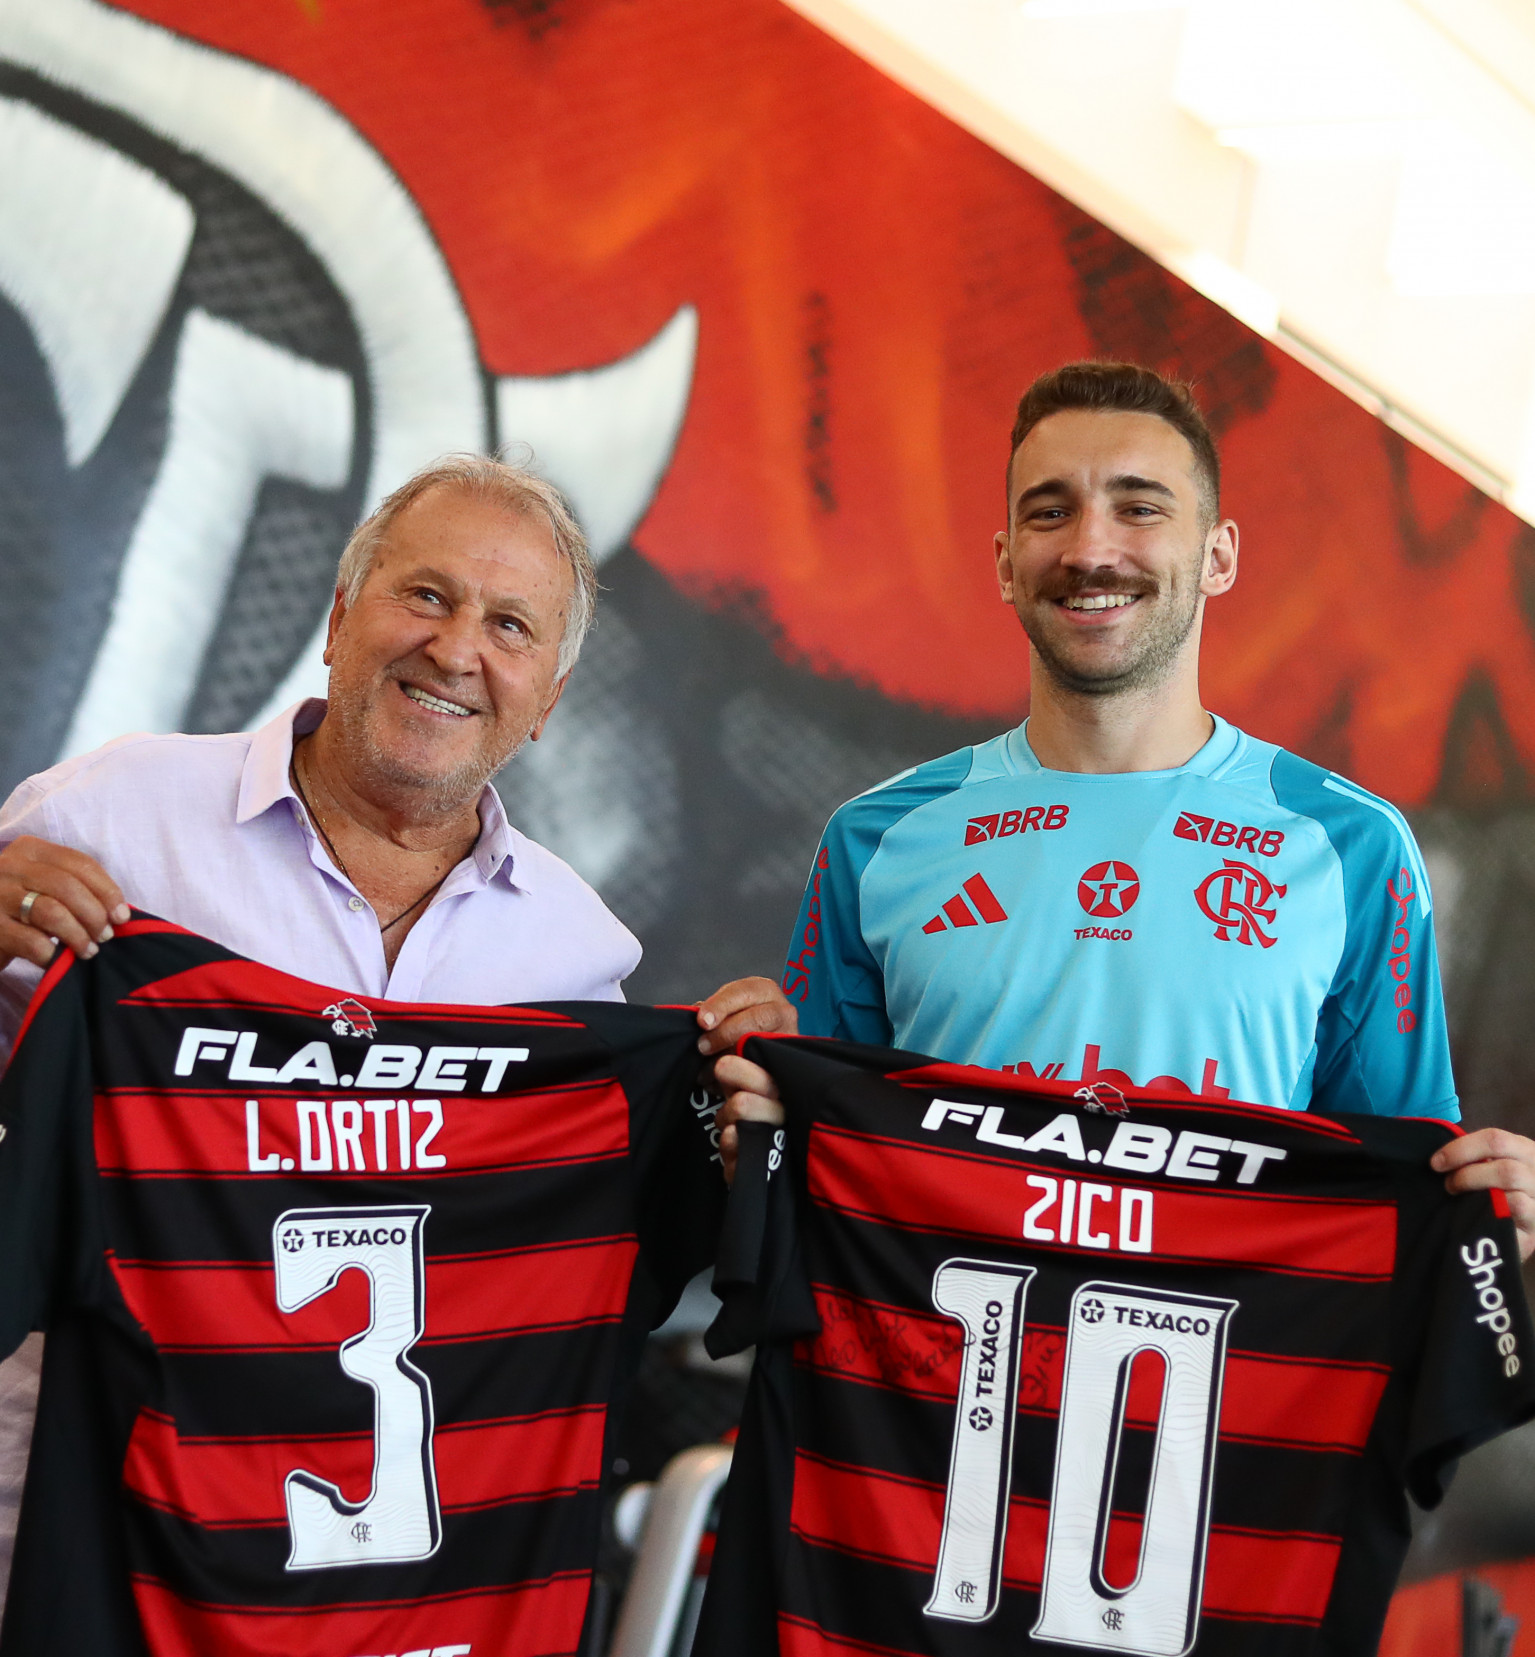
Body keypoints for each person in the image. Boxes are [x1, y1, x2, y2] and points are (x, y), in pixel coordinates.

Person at [0, 451, 782, 1582]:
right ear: (338, 618)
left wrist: (731, 1121)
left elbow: (598, 1258)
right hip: (62, 1521)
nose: (456, 649)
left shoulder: (576, 956)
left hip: (373, 1578)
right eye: (426, 594)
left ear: (548, 701)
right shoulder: (115, 815)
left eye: (510, 626)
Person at [717, 361, 1535, 1256]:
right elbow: (809, 1156)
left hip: (1222, 1346)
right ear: (1005, 564)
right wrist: (742, 1106)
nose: (1089, 549)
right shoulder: (876, 836)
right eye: (1049, 512)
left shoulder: (1351, 845)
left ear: (1217, 556)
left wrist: (1490, 1222)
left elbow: (1404, 1193)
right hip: (938, 1342)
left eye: (1139, 507)